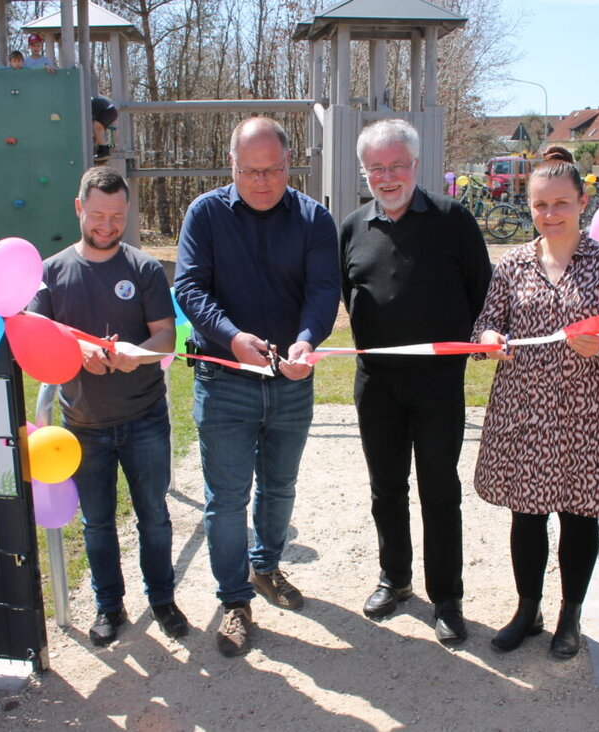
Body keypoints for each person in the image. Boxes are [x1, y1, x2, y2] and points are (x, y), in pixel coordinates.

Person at [175, 117, 339, 657]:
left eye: (272, 170)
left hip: (290, 381)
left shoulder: (314, 219)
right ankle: (234, 599)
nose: (263, 181)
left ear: (290, 164)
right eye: (250, 171)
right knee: (226, 499)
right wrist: (231, 337)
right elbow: (189, 288)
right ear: (232, 166)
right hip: (224, 380)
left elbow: (323, 290)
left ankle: (265, 567)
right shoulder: (205, 214)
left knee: (280, 486)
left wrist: (306, 341)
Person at [471, 152, 599, 660]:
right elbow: (486, 323)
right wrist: (490, 339)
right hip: (524, 409)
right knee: (526, 515)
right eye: (540, 205)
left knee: (578, 516)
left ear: (583, 202)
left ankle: (570, 614)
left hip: (588, 414)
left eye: (561, 203)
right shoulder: (512, 264)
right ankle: (529, 610)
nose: (550, 214)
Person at [339, 119, 491, 645]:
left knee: (440, 490)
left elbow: (481, 292)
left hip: (438, 386)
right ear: (365, 172)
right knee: (386, 489)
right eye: (376, 168)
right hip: (376, 385)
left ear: (416, 165)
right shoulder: (352, 227)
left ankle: (447, 597)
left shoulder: (453, 220)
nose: (387, 177)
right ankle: (395, 579)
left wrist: (477, 337)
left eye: (397, 165)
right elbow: (346, 294)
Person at [27, 167, 187, 646]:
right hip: (83, 424)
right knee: (97, 524)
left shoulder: (144, 269)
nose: (107, 225)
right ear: (79, 209)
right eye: (98, 215)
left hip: (145, 420)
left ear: (127, 212)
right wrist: (77, 353)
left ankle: (163, 600)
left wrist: (133, 354)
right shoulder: (50, 273)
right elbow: (36, 342)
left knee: (154, 516)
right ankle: (108, 606)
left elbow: (164, 337)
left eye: (117, 216)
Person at [91, 96, 118, 161]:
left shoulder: (85, 103)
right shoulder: (89, 100)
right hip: (110, 110)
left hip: (107, 110)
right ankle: (101, 150)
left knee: (97, 127)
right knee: (97, 129)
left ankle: (104, 151)